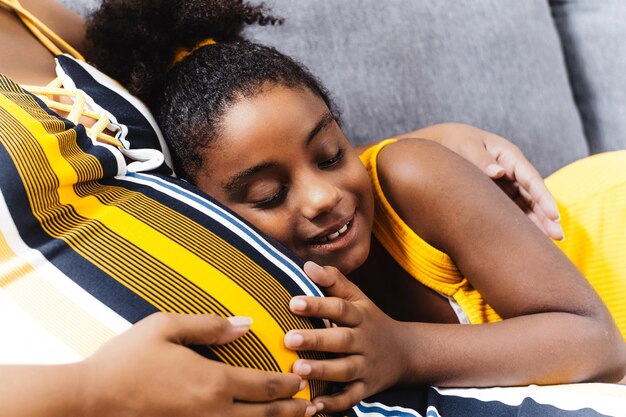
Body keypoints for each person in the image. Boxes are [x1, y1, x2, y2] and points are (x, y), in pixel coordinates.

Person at [0, 1, 621, 416]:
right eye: (268, 196)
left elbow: (597, 343)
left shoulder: (414, 175)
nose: (323, 197)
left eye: (330, 154)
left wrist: (404, 351)